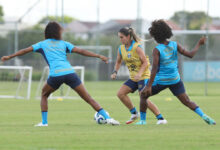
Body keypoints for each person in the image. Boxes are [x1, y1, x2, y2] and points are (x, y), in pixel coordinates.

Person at [1, 21, 120, 126]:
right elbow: (81, 51)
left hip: (56, 75)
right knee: (88, 98)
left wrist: (10, 56)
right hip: (70, 73)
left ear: (46, 32)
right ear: (58, 32)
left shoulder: (42, 44)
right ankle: (109, 118)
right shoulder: (64, 43)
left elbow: (25, 50)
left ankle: (44, 123)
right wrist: (98, 55)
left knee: (44, 95)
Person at [139, 19, 216, 125]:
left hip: (161, 80)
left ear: (155, 35)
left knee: (143, 96)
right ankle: (204, 116)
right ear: (167, 32)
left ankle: (142, 121)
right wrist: (199, 43)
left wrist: (149, 86)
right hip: (175, 79)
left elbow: (155, 68)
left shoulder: (157, 49)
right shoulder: (175, 45)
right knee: (187, 101)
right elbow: (190, 54)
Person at [111, 27, 167, 125]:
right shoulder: (121, 48)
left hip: (144, 76)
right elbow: (118, 61)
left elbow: (145, 63)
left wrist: (140, 73)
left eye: (122, 37)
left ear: (128, 37)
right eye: (119, 37)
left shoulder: (137, 47)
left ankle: (161, 118)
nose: (120, 39)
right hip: (134, 78)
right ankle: (134, 113)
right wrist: (115, 71)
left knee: (143, 97)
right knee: (120, 94)